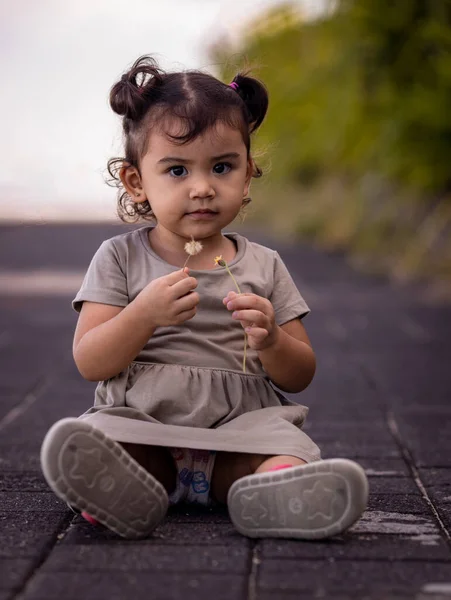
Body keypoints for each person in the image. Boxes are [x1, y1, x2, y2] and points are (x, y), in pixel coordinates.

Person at [40, 55, 368, 541]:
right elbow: (90, 360)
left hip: (241, 430)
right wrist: (144, 315)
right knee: (109, 438)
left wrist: (272, 339)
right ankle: (124, 488)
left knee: (283, 448)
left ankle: (274, 488)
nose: (202, 188)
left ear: (248, 173)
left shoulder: (264, 265)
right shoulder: (119, 258)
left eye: (221, 167)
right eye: (176, 170)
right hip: (147, 425)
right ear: (136, 182)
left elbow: (300, 375)